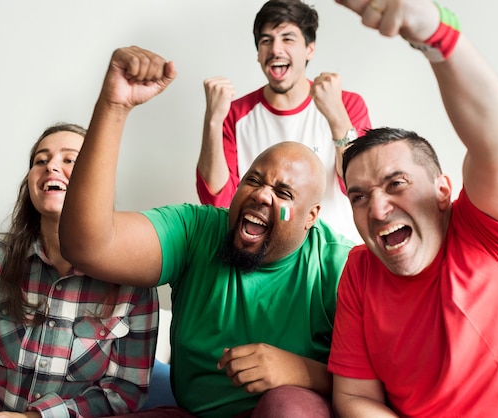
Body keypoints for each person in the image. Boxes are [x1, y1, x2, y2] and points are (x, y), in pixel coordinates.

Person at [58, 46, 355, 418]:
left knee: (288, 406)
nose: (261, 194)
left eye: (283, 193)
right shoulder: (196, 230)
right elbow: (86, 246)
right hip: (195, 414)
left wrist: (302, 372)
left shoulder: (339, 264)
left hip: (287, 411)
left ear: (311, 217)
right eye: (253, 180)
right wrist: (114, 107)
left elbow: (383, 381)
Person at [328, 0, 498, 416]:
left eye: (396, 184)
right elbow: (355, 398)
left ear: (442, 190)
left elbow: (497, 144)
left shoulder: (491, 227)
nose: (377, 208)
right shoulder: (359, 273)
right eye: (359, 196)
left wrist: (437, 36)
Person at [0, 124, 159, 417]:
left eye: (70, 159)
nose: (51, 167)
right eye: (41, 160)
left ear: (97, 179)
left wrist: (34, 417)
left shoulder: (134, 283)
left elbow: (125, 393)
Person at [196, 0, 371, 242]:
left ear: (309, 48)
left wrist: (337, 116)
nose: (275, 49)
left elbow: (360, 186)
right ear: (258, 53)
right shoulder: (236, 113)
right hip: (263, 259)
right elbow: (216, 201)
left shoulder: (347, 105)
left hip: (335, 259)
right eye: (266, 40)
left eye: (288, 39)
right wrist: (213, 121)